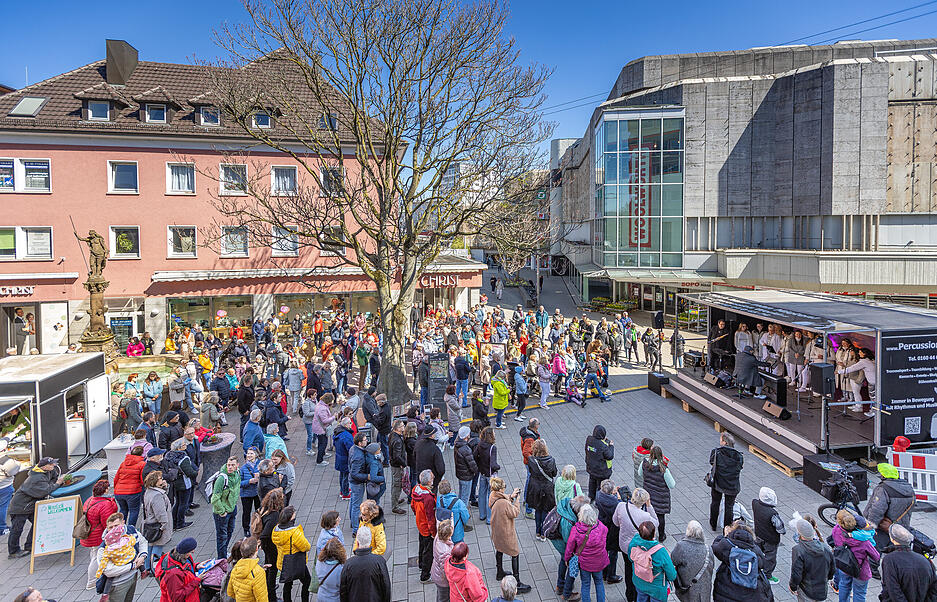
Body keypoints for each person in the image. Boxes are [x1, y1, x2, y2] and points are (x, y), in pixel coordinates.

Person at [8, 456, 64, 559]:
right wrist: (57, 484)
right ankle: (13, 551)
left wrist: (54, 482)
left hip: (29, 505)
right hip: (20, 507)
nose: (54, 465)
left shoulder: (46, 472)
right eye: (52, 464)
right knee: (17, 529)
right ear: (45, 466)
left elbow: (53, 478)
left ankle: (29, 545)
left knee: (38, 524)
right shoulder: (35, 479)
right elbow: (44, 491)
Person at [613, 488, 658, 602]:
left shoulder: (621, 506)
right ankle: (639, 595)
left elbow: (615, 522)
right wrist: (649, 506)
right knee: (638, 571)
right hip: (638, 549)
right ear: (643, 501)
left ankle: (630, 595)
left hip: (624, 546)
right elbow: (656, 523)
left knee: (628, 569)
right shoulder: (645, 515)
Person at [489, 476, 533, 593]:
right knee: (515, 553)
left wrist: (511, 496)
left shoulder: (493, 495)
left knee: (499, 549)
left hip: (496, 530)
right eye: (504, 487)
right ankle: (517, 582)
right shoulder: (504, 503)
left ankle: (499, 572)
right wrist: (517, 500)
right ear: (500, 489)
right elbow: (515, 512)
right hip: (506, 532)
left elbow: (502, 499)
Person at [711, 521, 772, 602]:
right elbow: (762, 564)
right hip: (753, 593)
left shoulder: (727, 544)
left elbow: (715, 547)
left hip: (727, 590)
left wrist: (725, 535)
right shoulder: (755, 549)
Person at [864, 462, 916, 550]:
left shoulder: (884, 489)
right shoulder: (909, 488)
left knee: (875, 549)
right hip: (902, 527)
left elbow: (877, 510)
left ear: (883, 476)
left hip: (885, 527)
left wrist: (869, 526)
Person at [880, 524, 937, 602]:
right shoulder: (924, 560)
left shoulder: (890, 560)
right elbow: (934, 587)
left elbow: (893, 589)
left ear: (892, 539)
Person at [831, 510, 879, 602]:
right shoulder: (864, 541)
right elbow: (876, 557)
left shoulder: (836, 530)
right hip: (860, 570)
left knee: (844, 586)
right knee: (859, 593)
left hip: (844, 565)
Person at [79, 479, 119, 588]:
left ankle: (97, 575)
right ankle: (91, 581)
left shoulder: (90, 500)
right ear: (105, 490)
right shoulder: (105, 504)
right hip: (97, 535)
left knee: (94, 553)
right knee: (96, 557)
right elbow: (108, 522)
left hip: (89, 533)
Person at [566, 503, 610, 602]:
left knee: (585, 584)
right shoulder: (601, 527)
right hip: (599, 561)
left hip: (584, 563)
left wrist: (567, 558)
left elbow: (570, 546)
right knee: (599, 583)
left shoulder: (576, 529)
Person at [270, 505, 312, 602]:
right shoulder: (294, 533)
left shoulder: (276, 530)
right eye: (294, 515)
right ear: (290, 519)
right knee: (307, 581)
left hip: (284, 563)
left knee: (288, 584)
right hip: (296, 562)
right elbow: (306, 546)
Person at [627, 520, 676, 602]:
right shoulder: (660, 551)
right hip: (657, 589)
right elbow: (672, 575)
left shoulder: (633, 543)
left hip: (639, 582)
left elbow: (630, 558)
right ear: (653, 534)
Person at [340, 527, 391, 602]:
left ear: (357, 542)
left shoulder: (348, 564)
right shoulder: (379, 561)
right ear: (370, 541)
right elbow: (386, 586)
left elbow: (343, 591)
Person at [790, 518, 834, 602]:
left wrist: (793, 586)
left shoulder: (798, 550)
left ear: (799, 533)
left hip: (806, 589)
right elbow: (832, 567)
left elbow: (796, 573)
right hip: (822, 589)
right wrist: (828, 578)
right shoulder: (825, 547)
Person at [671, 521, 714, 602]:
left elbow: (673, 561)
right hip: (705, 588)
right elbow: (711, 566)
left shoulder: (681, 546)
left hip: (688, 587)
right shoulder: (708, 549)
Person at [637, 446, 674, 542]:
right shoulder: (663, 469)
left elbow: (639, 473)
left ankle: (648, 533)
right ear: (661, 455)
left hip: (648, 494)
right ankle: (661, 536)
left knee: (648, 514)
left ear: (650, 454)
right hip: (661, 497)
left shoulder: (644, 463)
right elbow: (672, 484)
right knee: (660, 516)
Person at [708, 433, 743, 531]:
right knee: (729, 507)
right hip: (732, 485)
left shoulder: (716, 452)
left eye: (721, 440)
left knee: (715, 502)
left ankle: (713, 524)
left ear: (724, 442)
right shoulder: (739, 456)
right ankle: (727, 528)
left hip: (718, 482)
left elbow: (711, 462)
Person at [595, 479, 626, 585]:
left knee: (604, 550)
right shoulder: (616, 503)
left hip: (602, 525)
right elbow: (622, 508)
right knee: (613, 552)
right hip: (612, 528)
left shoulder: (598, 495)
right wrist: (618, 498)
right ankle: (611, 575)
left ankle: (604, 573)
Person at [750, 486, 784, 584]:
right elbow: (780, 528)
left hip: (758, 535)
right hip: (770, 539)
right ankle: (767, 575)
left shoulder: (755, 503)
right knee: (770, 557)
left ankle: (756, 569)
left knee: (757, 552)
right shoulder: (772, 513)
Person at [142, 470, 173, 571]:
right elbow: (160, 513)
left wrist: (164, 486)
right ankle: (155, 568)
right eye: (160, 479)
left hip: (150, 523)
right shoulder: (156, 496)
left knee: (150, 545)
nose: (162, 479)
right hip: (157, 525)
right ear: (154, 481)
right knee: (158, 546)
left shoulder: (149, 491)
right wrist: (164, 526)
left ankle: (148, 567)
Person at [211, 455, 242, 560]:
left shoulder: (237, 474)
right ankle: (222, 558)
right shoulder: (221, 479)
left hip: (232, 509)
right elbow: (215, 498)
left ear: (237, 466)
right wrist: (222, 511)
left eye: (232, 465)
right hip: (222, 513)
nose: (230, 467)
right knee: (222, 537)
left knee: (230, 531)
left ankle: (224, 552)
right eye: (228, 465)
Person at [527, 439, 557, 540]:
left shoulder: (531, 460)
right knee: (545, 510)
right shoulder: (551, 460)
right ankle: (544, 533)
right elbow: (554, 474)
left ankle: (537, 532)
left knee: (537, 509)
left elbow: (531, 472)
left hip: (535, 488)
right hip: (547, 488)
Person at [155, 537, 201, 602]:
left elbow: (187, 568)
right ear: (185, 553)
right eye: (191, 551)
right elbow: (177, 598)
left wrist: (196, 566)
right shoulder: (173, 574)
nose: (193, 552)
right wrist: (196, 581)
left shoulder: (178, 556)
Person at [412, 469, 438, 582]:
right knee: (428, 551)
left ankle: (421, 564)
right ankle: (425, 575)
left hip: (420, 523)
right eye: (432, 478)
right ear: (428, 482)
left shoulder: (416, 490)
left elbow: (413, 506)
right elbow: (430, 518)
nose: (433, 480)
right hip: (427, 528)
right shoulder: (428, 498)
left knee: (421, 545)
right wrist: (434, 533)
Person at [166, 438, 197, 529]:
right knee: (183, 504)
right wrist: (195, 473)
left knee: (178, 503)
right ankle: (180, 523)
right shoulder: (183, 458)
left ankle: (174, 522)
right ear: (179, 448)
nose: (185, 446)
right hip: (184, 483)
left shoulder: (168, 456)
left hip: (174, 482)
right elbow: (190, 472)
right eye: (183, 445)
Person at [227, 537, 269, 602]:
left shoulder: (236, 568)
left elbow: (230, 592)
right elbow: (262, 599)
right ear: (256, 549)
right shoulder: (258, 572)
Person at [113, 447, 145, 527]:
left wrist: (116, 488)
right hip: (133, 492)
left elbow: (116, 478)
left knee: (123, 510)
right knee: (134, 511)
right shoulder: (142, 464)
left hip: (119, 492)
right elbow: (142, 479)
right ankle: (130, 529)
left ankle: (120, 528)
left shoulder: (123, 463)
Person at [475, 427, 500, 525]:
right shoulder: (492, 448)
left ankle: (482, 515)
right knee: (491, 496)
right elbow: (493, 464)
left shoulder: (480, 444)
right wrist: (498, 467)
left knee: (481, 493)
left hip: (482, 473)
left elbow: (474, 456)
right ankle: (489, 518)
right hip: (491, 475)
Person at [436, 479, 472, 544]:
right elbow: (465, 517)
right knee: (459, 549)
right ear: (450, 488)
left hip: (444, 532)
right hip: (456, 532)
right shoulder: (458, 502)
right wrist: (463, 524)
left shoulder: (439, 500)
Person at [585, 425, 614, 501]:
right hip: (601, 471)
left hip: (591, 468)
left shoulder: (589, 439)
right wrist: (611, 446)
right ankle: (598, 501)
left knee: (592, 482)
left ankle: (591, 497)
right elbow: (610, 456)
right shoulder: (603, 445)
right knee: (600, 486)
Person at [453, 425, 478, 510]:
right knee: (465, 498)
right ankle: (462, 517)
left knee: (461, 494)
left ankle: (459, 511)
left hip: (460, 474)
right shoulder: (466, 449)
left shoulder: (457, 444)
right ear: (467, 436)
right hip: (467, 476)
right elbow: (472, 464)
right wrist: (477, 471)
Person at [415, 424, 446, 493]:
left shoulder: (418, 444)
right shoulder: (435, 449)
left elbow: (414, 459)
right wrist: (438, 479)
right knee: (431, 499)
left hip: (421, 478)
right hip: (432, 481)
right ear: (432, 436)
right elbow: (441, 469)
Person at [240, 447, 262, 537]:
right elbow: (239, 483)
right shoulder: (243, 468)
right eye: (248, 453)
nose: (249, 455)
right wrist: (249, 481)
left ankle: (258, 527)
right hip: (246, 494)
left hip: (257, 492)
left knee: (259, 511)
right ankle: (246, 529)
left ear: (256, 455)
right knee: (246, 512)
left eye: (251, 453)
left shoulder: (260, 464)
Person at [387, 420, 408, 515]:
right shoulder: (397, 440)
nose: (404, 427)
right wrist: (404, 464)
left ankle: (395, 499)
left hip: (394, 464)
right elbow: (397, 456)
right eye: (403, 426)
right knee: (397, 485)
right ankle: (395, 506)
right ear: (398, 428)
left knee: (395, 484)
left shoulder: (393, 435)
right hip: (396, 466)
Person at [431, 519, 455, 602]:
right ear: (448, 535)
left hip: (436, 573)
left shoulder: (439, 535)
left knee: (440, 595)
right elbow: (446, 570)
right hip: (442, 580)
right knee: (444, 598)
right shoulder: (444, 552)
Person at [333, 417, 355, 500]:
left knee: (342, 475)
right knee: (346, 476)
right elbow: (351, 449)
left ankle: (342, 490)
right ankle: (345, 493)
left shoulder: (338, 432)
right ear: (346, 425)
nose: (351, 424)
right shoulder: (346, 436)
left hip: (340, 457)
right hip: (345, 459)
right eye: (350, 423)